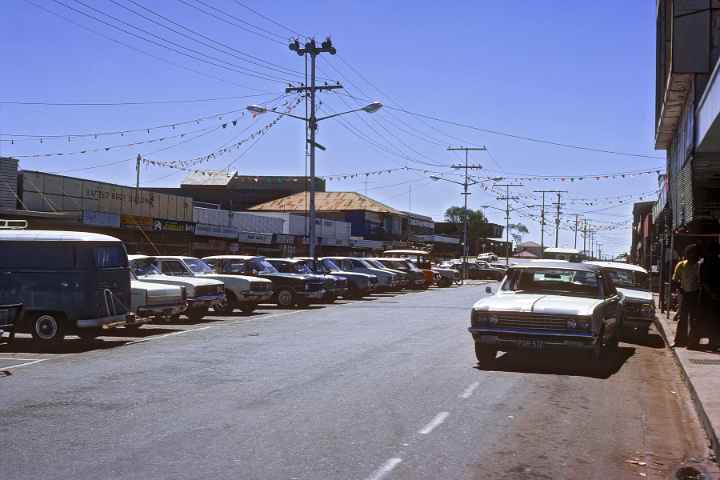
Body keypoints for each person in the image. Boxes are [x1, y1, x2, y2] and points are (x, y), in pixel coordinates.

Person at [672, 244, 701, 348]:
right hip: (685, 294)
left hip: (695, 294)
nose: (692, 255)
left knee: (694, 319)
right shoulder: (681, 265)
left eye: (694, 253)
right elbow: (675, 280)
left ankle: (692, 342)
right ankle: (679, 341)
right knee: (682, 318)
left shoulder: (698, 265)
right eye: (690, 253)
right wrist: (681, 290)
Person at [699, 241, 720, 350]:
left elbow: (703, 281)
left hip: (707, 295)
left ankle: (711, 341)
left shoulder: (703, 262)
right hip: (713, 295)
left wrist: (711, 293)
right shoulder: (708, 262)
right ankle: (713, 341)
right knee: (714, 320)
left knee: (708, 319)